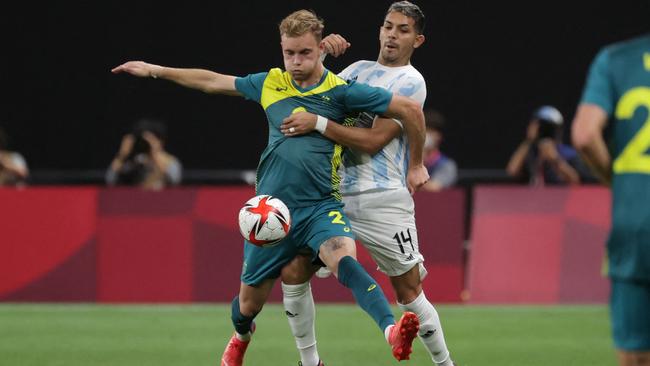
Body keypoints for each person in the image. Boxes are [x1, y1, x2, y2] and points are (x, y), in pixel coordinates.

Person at [112, 9, 429, 366]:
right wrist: (155, 69)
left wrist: (414, 164)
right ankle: (241, 335)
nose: (296, 61)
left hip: (320, 206)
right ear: (282, 49)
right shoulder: (270, 83)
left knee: (345, 259)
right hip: (272, 213)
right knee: (247, 306)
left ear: (319, 50)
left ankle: (391, 332)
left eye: (305, 53)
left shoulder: (341, 92)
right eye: (289, 53)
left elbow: (409, 111)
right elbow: (212, 81)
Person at [280, 2, 455, 365]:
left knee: (409, 292)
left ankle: (445, 364)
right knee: (294, 269)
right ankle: (309, 361)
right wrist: (320, 55)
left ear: (417, 40)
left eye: (403, 29)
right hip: (334, 194)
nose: (392, 34)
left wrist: (319, 124)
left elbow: (374, 140)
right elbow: (318, 96)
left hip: (382, 197)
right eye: (388, 26)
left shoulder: (410, 82)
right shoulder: (356, 70)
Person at [571, 33, 650, 366]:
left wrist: (617, 180)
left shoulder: (617, 60)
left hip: (636, 226)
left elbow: (586, 135)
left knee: (635, 354)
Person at [506, 105, 595, 185]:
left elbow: (575, 181)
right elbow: (512, 171)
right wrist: (529, 140)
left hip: (558, 199)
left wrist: (555, 160)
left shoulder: (569, 154)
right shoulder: (530, 153)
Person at [105, 118, 182, 191]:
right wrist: (122, 155)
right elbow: (110, 181)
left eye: (151, 139)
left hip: (162, 201)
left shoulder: (170, 161)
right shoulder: (135, 161)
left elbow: (175, 181)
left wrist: (154, 153)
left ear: (161, 141)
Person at [421, 109, 457, 191]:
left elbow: (434, 188)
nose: (427, 135)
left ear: (439, 136)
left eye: (432, 131)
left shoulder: (447, 165)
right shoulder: (405, 161)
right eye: (425, 130)